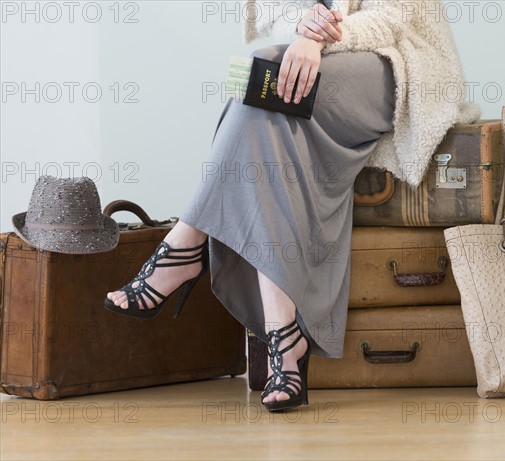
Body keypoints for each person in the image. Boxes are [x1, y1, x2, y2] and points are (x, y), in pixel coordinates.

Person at [104, 0, 479, 412]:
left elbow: (391, 20)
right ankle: (284, 332)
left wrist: (314, 38)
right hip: (314, 58)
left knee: (262, 84)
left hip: (399, 65)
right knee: (260, 88)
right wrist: (301, 26)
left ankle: (186, 246)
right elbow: (271, 13)